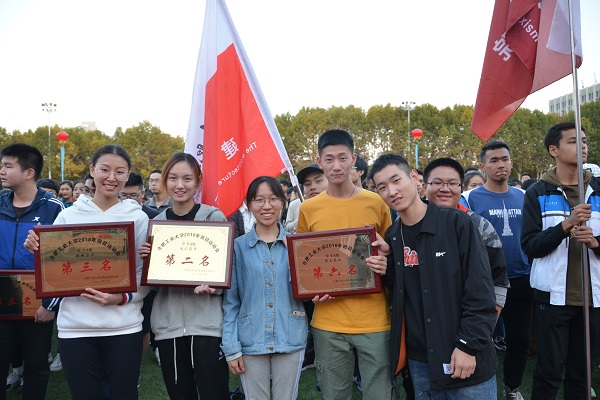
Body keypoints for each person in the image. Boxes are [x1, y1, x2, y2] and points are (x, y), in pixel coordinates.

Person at [24, 144, 149, 399]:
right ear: (92, 170)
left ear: (127, 175)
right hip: (75, 328)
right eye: (104, 170)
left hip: (123, 327)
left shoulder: (138, 218)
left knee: (124, 395)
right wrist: (38, 249)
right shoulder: (68, 217)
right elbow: (54, 271)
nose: (111, 177)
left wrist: (120, 297)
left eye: (119, 172)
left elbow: (143, 274)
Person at [368, 153, 497, 399]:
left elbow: (481, 291)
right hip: (420, 362)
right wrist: (387, 267)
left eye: (396, 180)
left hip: (464, 355)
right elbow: (406, 293)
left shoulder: (456, 223)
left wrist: (468, 345)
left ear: (414, 177)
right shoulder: (393, 235)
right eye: (382, 187)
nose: (392, 191)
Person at [296, 129, 393, 400]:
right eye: (329, 159)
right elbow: (304, 263)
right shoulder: (308, 209)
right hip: (328, 321)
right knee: (335, 394)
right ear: (319, 161)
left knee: (380, 394)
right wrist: (311, 289)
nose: (336, 166)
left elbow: (390, 251)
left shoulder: (376, 202)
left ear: (354, 159)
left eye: (342, 158)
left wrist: (386, 261)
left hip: (374, 320)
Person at [139, 152, 229, 400]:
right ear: (165, 181)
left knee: (215, 393)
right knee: (180, 394)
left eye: (187, 178)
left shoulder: (213, 218)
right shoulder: (156, 224)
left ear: (198, 182)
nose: (180, 185)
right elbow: (153, 286)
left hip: (208, 325)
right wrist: (148, 262)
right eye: (173, 178)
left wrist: (214, 287)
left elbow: (227, 273)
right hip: (168, 326)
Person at [521, 122, 600, 399]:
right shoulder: (537, 192)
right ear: (553, 150)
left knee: (582, 373)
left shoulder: (598, 189)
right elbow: (530, 246)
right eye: (573, 141)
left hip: (593, 299)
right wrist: (565, 225)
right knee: (548, 372)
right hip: (553, 298)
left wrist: (596, 243)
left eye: (584, 141)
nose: (583, 146)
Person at [222, 176, 308, 399]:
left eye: (273, 199)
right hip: (251, 338)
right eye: (259, 200)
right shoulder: (238, 247)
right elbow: (231, 302)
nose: (266, 206)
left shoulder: (298, 245)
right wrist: (231, 347)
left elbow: (307, 292)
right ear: (249, 204)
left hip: (290, 336)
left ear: (282, 202)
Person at [463, 141, 532, 400]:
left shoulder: (524, 196)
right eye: (493, 160)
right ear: (483, 166)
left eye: (505, 159)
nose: (500, 164)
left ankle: (512, 388)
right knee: (481, 336)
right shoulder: (470, 198)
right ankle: (475, 386)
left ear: (511, 162)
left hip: (522, 277)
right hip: (487, 280)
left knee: (520, 340)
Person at [0, 143, 64, 400]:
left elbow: (63, 261)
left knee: (37, 365)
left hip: (37, 299)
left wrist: (50, 304)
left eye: (8, 166)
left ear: (29, 172)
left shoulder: (54, 208)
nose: (2, 171)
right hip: (2, 295)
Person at [423, 157, 509, 313]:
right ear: (424, 186)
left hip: (472, 318)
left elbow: (499, 280)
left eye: (452, 183)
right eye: (437, 183)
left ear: (461, 188)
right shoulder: (409, 224)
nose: (445, 189)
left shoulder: (480, 226)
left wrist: (487, 322)